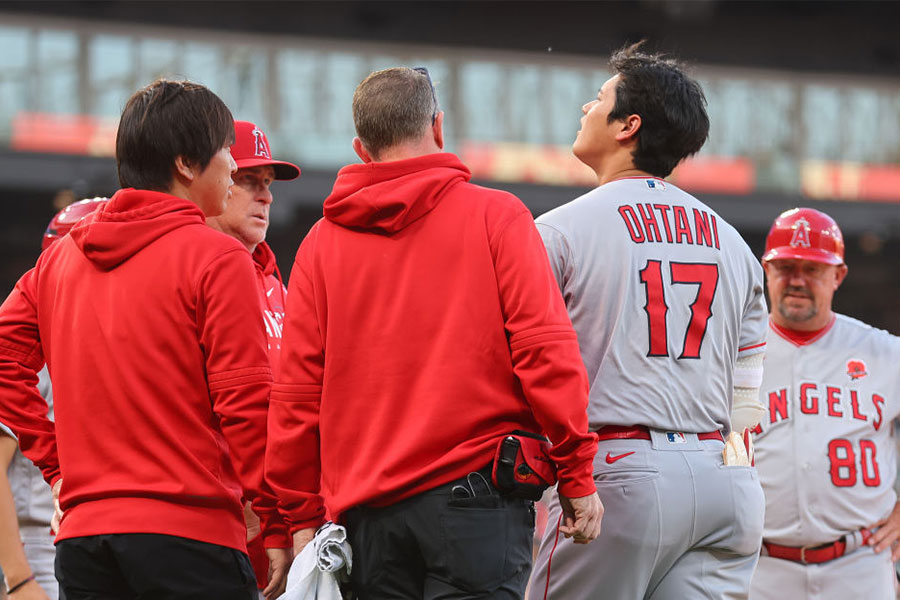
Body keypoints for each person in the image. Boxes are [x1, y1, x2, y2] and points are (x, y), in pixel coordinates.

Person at [265, 66, 603, 599]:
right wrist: (576, 473)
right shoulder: (499, 217)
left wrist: (299, 518)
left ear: (361, 148)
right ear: (438, 127)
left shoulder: (319, 246)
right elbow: (544, 353)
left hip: (366, 520)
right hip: (477, 505)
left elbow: (295, 398)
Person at [0, 79, 290, 600]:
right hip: (190, 537)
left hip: (85, 540)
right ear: (184, 163)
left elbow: (3, 357)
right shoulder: (219, 258)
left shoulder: (60, 259)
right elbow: (246, 404)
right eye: (226, 149)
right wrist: (275, 519)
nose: (231, 164)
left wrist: (58, 466)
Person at [527, 43, 769, 599]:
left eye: (599, 98)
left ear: (627, 125)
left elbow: (523, 362)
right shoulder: (733, 242)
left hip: (618, 472)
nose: (586, 107)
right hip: (723, 479)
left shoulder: (561, 229)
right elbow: (747, 400)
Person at [749, 208, 900, 599]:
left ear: (838, 276)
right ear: (766, 269)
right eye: (785, 266)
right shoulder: (733, 352)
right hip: (758, 567)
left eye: (812, 269)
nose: (796, 280)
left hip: (860, 563)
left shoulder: (884, 351)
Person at [207, 120, 300, 599]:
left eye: (268, 185)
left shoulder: (274, 281)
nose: (265, 197)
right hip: (220, 519)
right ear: (215, 177)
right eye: (248, 181)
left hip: (281, 515)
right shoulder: (197, 274)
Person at [0, 197, 106, 600]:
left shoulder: (107, 346)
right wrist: (18, 578)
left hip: (87, 537)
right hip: (35, 547)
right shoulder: (34, 353)